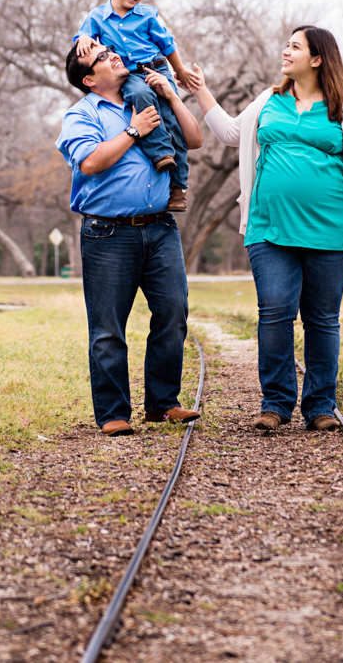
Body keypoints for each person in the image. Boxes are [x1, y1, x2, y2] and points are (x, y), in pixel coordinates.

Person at [190, 25, 343, 432]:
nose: (285, 51)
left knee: (322, 318)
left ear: (317, 59)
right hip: (269, 227)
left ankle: (320, 406)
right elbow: (231, 133)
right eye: (287, 44)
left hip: (331, 231)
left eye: (295, 46)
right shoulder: (269, 100)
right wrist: (199, 89)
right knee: (275, 310)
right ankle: (276, 403)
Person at [56, 41, 204, 436]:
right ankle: (113, 413)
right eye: (102, 57)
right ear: (88, 79)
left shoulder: (148, 94)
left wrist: (171, 95)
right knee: (108, 329)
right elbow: (89, 162)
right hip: (107, 233)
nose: (113, 56)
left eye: (110, 51)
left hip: (160, 228)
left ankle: (163, 404)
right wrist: (133, 131)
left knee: (173, 314)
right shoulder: (81, 114)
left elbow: (193, 140)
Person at [74, 0, 200, 213]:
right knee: (140, 95)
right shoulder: (97, 17)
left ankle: (179, 186)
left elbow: (167, 45)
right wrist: (84, 38)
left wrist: (179, 72)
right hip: (131, 74)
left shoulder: (148, 14)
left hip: (157, 68)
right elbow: (83, 36)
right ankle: (161, 153)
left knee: (171, 120)